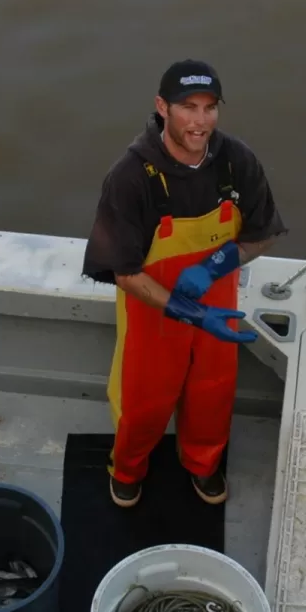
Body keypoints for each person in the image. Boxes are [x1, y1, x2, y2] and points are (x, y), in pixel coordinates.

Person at [82, 59, 286, 509]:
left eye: (209, 108)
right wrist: (189, 311)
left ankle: (203, 464)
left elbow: (264, 231)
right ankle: (128, 469)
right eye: (188, 107)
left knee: (213, 392)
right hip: (152, 311)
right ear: (162, 108)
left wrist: (215, 264)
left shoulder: (236, 161)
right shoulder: (130, 178)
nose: (200, 121)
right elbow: (124, 272)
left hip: (219, 304)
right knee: (144, 400)